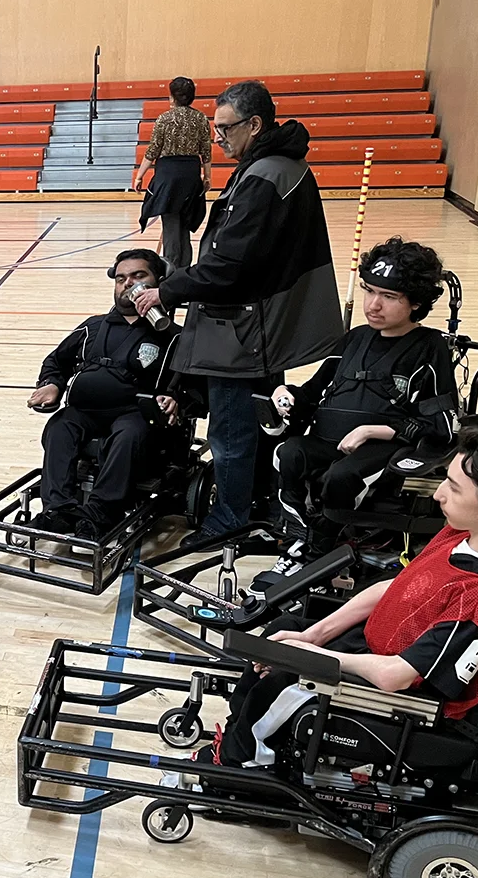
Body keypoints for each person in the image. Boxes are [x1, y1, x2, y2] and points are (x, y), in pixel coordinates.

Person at [202, 427, 478, 769]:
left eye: (453, 487)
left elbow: (396, 677)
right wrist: (315, 637)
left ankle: (239, 763)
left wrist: (318, 658)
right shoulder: (465, 534)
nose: (438, 494)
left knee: (283, 678)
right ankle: (239, 727)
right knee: (284, 629)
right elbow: (394, 588)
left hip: (404, 697)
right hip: (377, 646)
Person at [130, 80, 343, 545]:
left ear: (255, 124)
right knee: (261, 425)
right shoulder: (275, 166)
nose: (218, 137)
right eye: (215, 128)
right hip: (261, 326)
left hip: (244, 331)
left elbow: (230, 264)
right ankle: (260, 504)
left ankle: (230, 519)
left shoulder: (266, 175)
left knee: (231, 433)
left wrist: (168, 291)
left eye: (226, 128)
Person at [255, 237, 459, 590]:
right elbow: (314, 390)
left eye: (389, 297)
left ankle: (321, 554)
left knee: (340, 477)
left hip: (382, 449)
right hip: (327, 438)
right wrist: (288, 396)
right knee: (288, 454)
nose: (374, 305)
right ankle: (300, 540)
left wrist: (375, 430)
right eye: (369, 291)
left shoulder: (430, 348)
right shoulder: (354, 339)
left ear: (416, 303)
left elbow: (442, 426)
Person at [26, 249, 183, 539]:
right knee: (60, 426)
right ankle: (58, 511)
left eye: (138, 276)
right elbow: (56, 361)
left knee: (129, 435)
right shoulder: (93, 327)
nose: (128, 284)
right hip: (86, 411)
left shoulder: (173, 337)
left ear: (158, 281)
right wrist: (51, 383)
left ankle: (99, 515)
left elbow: (189, 383)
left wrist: (176, 398)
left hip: (133, 415)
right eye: (121, 278)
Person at [131, 76, 213, 270]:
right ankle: (185, 268)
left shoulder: (164, 119)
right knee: (184, 223)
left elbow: (153, 151)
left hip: (168, 174)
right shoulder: (200, 118)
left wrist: (139, 176)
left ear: (172, 97)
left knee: (171, 223)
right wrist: (207, 176)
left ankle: (172, 269)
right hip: (191, 173)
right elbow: (206, 151)